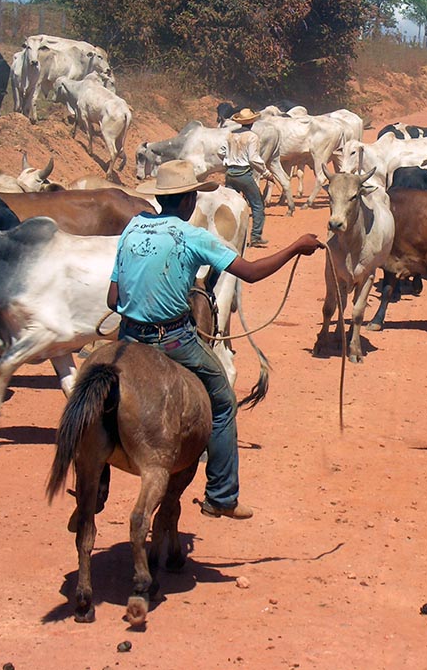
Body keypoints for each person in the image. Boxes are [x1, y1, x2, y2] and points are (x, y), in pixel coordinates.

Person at [107, 159, 323, 520]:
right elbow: (250, 273)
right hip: (171, 339)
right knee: (222, 400)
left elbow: (112, 300)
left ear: (161, 197)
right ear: (190, 199)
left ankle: (95, 488)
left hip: (128, 336)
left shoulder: (134, 227)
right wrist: (296, 247)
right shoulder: (194, 237)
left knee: (93, 389)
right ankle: (222, 494)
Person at [219, 107, 270, 247]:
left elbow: (220, 151)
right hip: (244, 175)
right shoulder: (252, 137)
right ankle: (255, 237)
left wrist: (228, 161)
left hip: (230, 174)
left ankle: (227, 235)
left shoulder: (231, 134)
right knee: (257, 204)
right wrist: (266, 173)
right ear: (252, 122)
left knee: (230, 205)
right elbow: (253, 159)